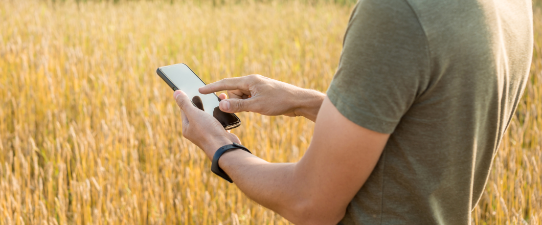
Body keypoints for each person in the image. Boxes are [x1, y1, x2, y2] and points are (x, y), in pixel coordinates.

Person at [172, 0, 533, 224]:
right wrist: (303, 101)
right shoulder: (511, 6)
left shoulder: (397, 10)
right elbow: (434, 124)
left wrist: (221, 147)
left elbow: (310, 204)